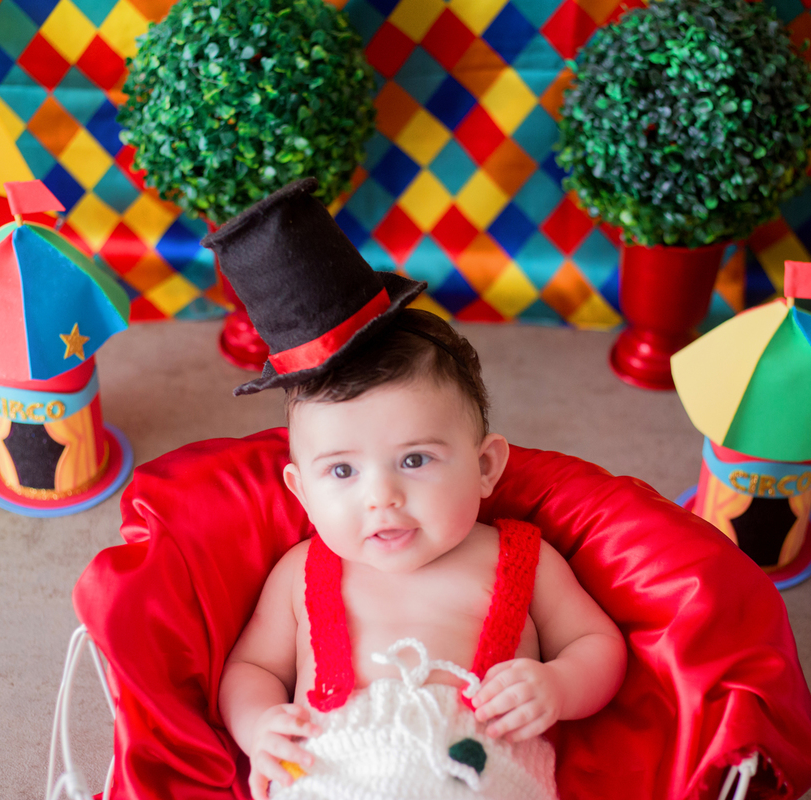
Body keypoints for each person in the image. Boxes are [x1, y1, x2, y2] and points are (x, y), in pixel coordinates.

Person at [202, 179, 626, 800]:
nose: (383, 497)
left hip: (479, 770)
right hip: (334, 766)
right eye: (342, 471)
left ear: (486, 467)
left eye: (416, 459)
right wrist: (257, 723)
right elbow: (253, 668)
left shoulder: (519, 557)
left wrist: (556, 685)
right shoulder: (301, 571)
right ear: (300, 490)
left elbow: (598, 645)